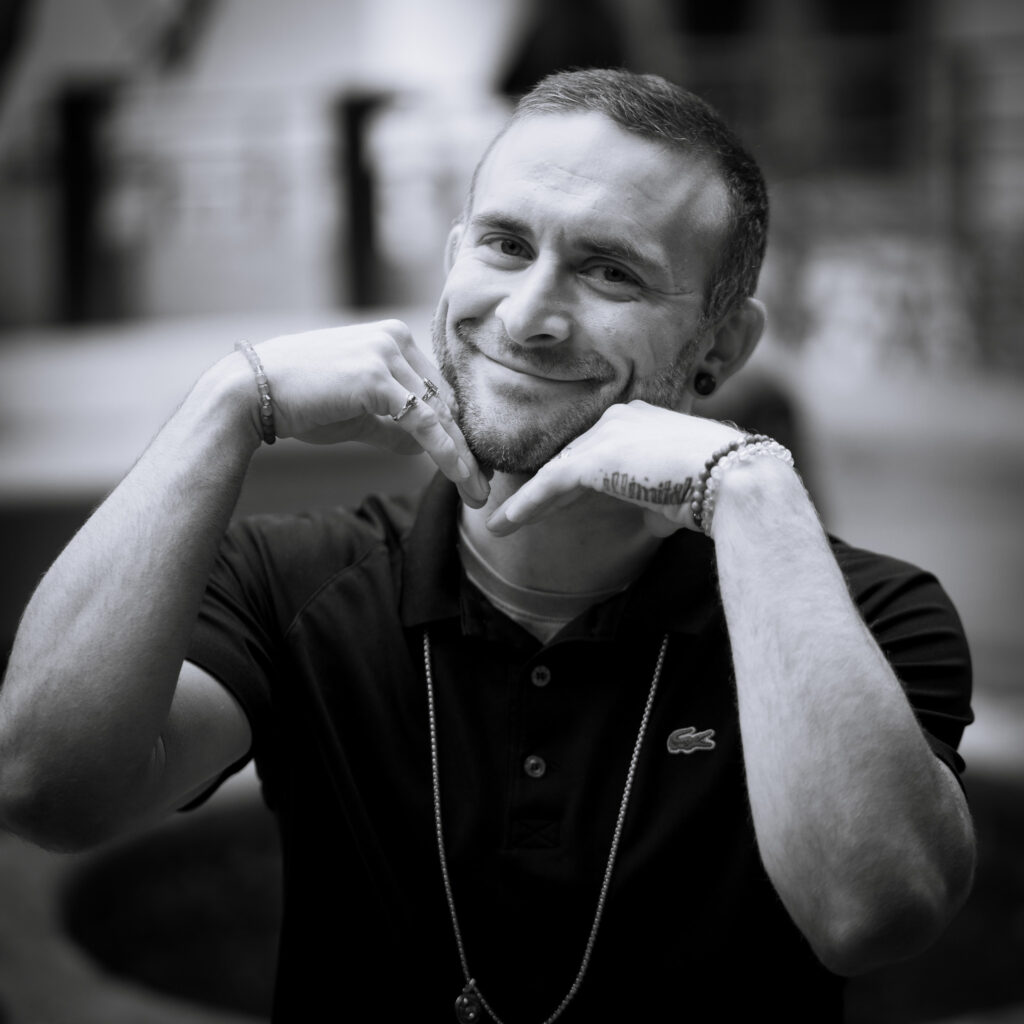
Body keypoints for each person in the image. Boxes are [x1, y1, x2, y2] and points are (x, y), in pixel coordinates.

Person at [0, 69, 974, 1021]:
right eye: (506, 246)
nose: (526, 315)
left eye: (609, 270)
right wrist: (224, 404)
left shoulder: (867, 615)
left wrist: (753, 490)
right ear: (454, 260)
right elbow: (45, 785)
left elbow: (870, 910)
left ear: (719, 348)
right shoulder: (291, 582)